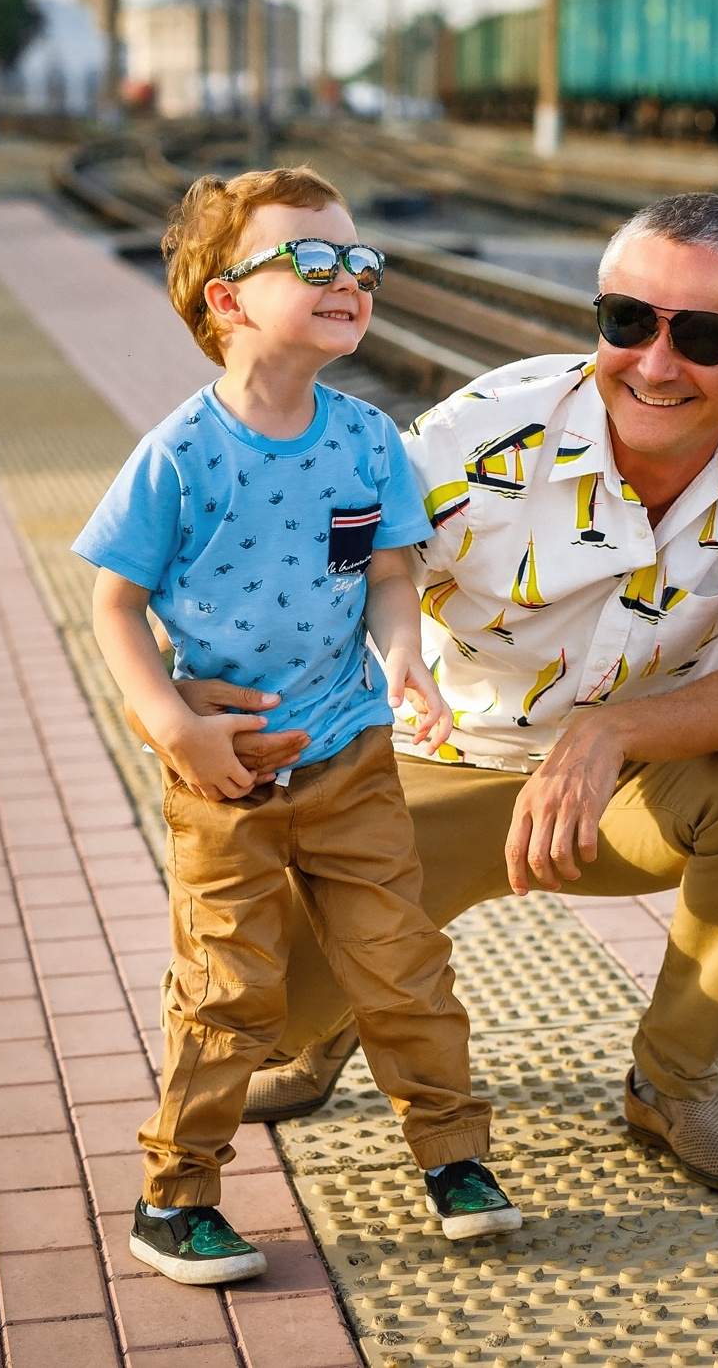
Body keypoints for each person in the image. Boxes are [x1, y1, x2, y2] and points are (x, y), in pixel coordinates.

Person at [169, 190, 718, 1195]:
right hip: (427, 764)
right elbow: (314, 578)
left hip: (629, 787)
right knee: (266, 1016)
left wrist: (610, 735)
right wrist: (195, 693)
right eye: (628, 321)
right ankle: (339, 1014)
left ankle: (673, 1082)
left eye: (703, 336)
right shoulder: (479, 437)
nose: (656, 364)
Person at [75, 167, 522, 1286]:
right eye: (314, 260)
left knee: (403, 963)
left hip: (353, 754)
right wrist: (171, 725)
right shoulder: (179, 454)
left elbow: (386, 573)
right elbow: (114, 606)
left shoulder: (366, 440)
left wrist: (404, 655)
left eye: (360, 261)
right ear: (227, 300)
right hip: (226, 771)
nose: (349, 279)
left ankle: (454, 1158)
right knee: (228, 989)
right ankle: (175, 1197)